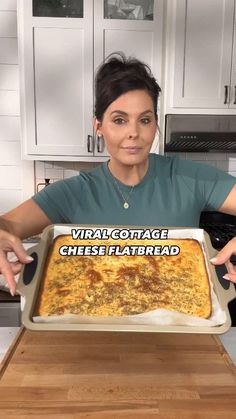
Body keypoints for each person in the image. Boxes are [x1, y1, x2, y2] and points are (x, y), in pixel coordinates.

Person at [0, 53, 236, 295]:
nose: (133, 132)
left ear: (155, 124)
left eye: (144, 120)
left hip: (179, 327)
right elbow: (6, 224)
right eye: (120, 120)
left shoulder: (190, 178)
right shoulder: (74, 193)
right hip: (96, 328)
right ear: (98, 126)